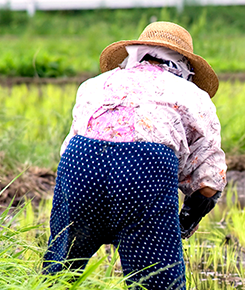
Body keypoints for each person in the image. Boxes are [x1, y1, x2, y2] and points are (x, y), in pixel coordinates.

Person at [42, 21, 227, 290]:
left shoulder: (94, 85)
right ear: (185, 66)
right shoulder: (194, 96)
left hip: (80, 163)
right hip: (141, 171)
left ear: (137, 52)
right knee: (157, 280)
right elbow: (210, 182)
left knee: (59, 273)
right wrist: (186, 220)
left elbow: (69, 146)